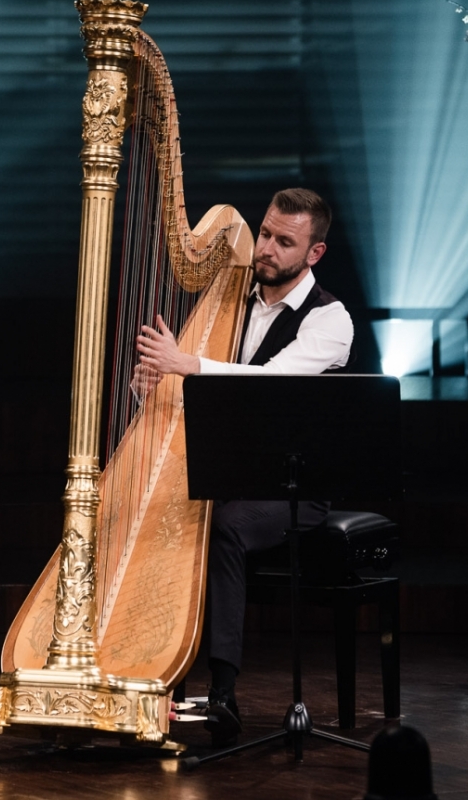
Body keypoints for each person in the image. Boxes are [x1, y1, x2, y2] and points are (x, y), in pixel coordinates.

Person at [135, 188, 353, 746]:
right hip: (229, 473)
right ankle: (152, 678)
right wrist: (154, 388)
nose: (267, 249)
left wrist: (185, 364)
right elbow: (207, 401)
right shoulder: (233, 303)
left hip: (294, 487)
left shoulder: (330, 320)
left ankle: (223, 693)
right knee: (165, 511)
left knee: (226, 525)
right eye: (264, 234)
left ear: (315, 253)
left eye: (285, 242)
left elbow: (271, 384)